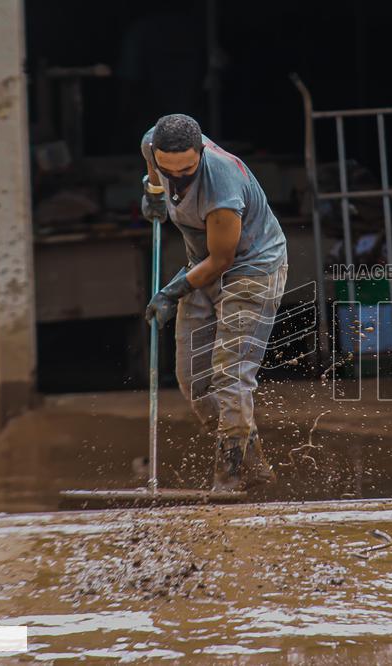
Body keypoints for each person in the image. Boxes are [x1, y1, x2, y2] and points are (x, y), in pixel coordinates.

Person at [140, 114, 288, 492]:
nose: (179, 179)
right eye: (168, 170)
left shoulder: (221, 183)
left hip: (250, 269)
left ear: (201, 153)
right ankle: (253, 465)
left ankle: (230, 475)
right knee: (194, 379)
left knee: (230, 377)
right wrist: (154, 193)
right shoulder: (151, 146)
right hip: (199, 264)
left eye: (187, 170)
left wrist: (171, 291)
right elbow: (158, 182)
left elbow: (222, 260)